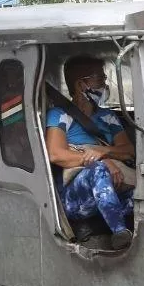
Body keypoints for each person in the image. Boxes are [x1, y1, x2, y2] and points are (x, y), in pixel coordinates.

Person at [45, 56, 136, 250]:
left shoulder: (108, 117)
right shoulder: (60, 115)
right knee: (98, 171)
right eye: (100, 80)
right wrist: (97, 160)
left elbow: (128, 152)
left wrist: (104, 151)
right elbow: (55, 154)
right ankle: (120, 233)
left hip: (114, 189)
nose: (104, 85)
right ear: (81, 85)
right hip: (74, 199)